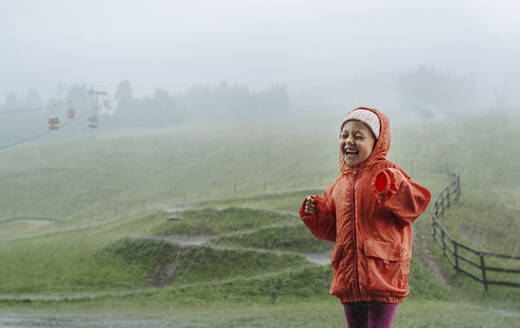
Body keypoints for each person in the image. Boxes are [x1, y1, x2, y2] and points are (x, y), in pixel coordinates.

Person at [299, 107, 431, 328]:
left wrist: (392, 188)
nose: (349, 141)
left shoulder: (389, 172)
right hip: (349, 278)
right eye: (344, 135)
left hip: (384, 273)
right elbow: (333, 231)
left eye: (358, 136)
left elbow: (413, 206)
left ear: (377, 142)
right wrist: (317, 214)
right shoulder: (337, 185)